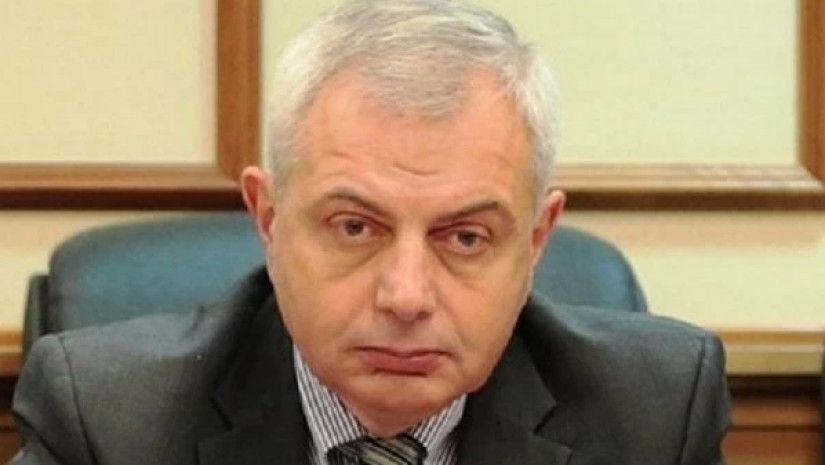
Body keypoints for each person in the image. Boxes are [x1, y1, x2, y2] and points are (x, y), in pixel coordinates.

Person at [10, 0, 730, 463]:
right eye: (355, 226)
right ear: (268, 219)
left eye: (465, 238)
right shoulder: (110, 420)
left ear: (536, 240)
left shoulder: (653, 412)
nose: (406, 296)